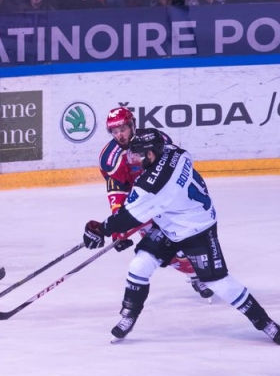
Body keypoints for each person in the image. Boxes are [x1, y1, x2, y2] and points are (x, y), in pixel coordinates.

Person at [83, 128, 280, 344]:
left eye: (139, 154)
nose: (134, 159)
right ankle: (128, 316)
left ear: (151, 154)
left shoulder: (152, 187)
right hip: (172, 222)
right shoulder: (175, 152)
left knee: (218, 282)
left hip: (197, 229)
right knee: (139, 266)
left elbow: (128, 217)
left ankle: (266, 324)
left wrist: (100, 229)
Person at [98, 108, 212, 300]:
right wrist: (119, 223)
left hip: (167, 199)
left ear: (132, 125)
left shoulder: (156, 140)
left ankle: (199, 272)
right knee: (166, 252)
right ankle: (194, 275)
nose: (119, 135)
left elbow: (174, 170)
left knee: (186, 242)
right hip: (141, 203)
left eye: (123, 129)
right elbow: (117, 190)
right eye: (114, 131)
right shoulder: (110, 158)